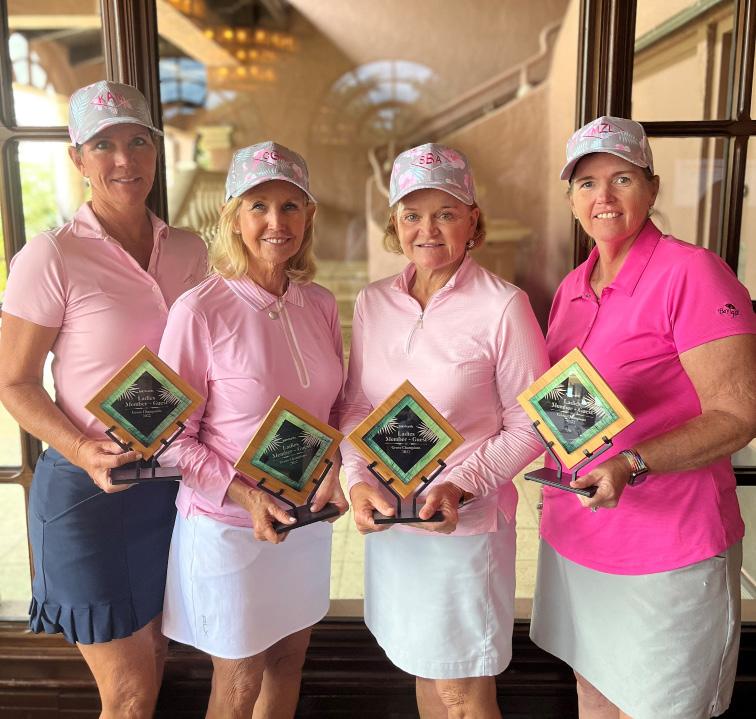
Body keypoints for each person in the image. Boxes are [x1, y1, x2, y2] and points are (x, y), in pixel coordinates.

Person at [530, 115, 756, 719]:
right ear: (571, 199)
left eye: (622, 178)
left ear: (652, 189)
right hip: (578, 536)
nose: (603, 196)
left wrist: (632, 462)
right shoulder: (573, 287)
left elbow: (737, 414)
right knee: (595, 696)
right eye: (587, 183)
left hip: (669, 547)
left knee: (661, 707)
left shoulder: (693, 272)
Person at [0, 81, 207, 717]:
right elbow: (14, 382)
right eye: (104, 145)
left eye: (138, 141)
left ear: (156, 151)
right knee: (129, 693)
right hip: (93, 490)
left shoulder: (190, 250)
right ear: (78, 159)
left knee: (158, 658)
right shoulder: (51, 256)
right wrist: (83, 449)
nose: (124, 159)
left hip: (177, 486)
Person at [340, 143, 550, 719]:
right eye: (412, 214)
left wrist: (460, 486)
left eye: (446, 213)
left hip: (462, 528)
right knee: (423, 666)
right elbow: (356, 405)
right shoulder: (373, 301)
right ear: (395, 223)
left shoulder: (504, 306)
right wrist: (357, 481)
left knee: (462, 690)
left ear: (472, 221)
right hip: (392, 522)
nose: (427, 229)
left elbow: (531, 425)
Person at [157, 141, 348, 719]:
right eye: (258, 205)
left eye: (290, 206)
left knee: (290, 660)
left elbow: (335, 409)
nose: (275, 222)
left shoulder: (319, 304)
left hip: (304, 518)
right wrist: (246, 495)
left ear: (308, 216)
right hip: (229, 526)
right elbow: (171, 438)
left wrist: (336, 467)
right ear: (233, 217)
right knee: (239, 682)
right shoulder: (199, 309)